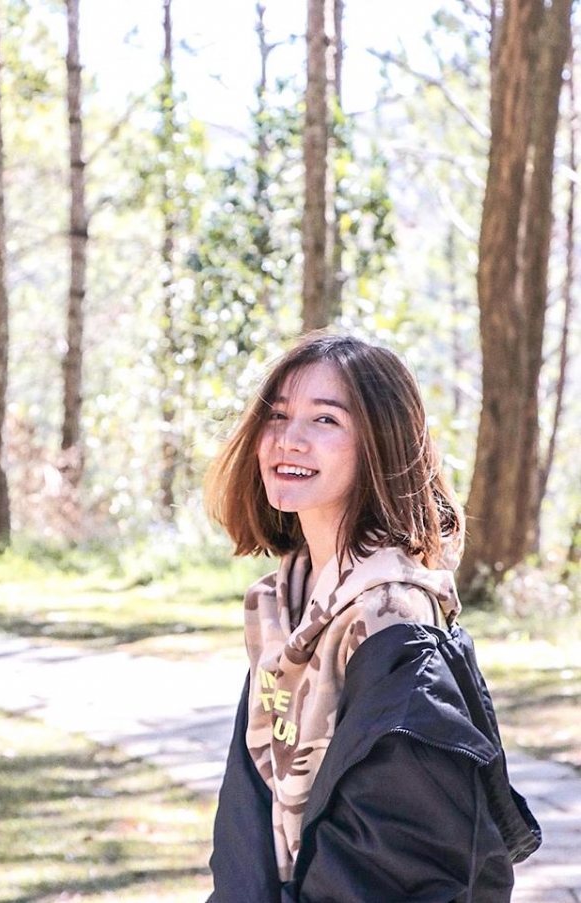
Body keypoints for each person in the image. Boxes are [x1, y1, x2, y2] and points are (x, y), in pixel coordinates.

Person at [204, 333, 541, 903]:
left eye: (326, 420)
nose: (288, 439)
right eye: (278, 415)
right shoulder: (279, 604)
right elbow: (248, 807)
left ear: (379, 445)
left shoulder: (391, 622)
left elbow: (390, 855)